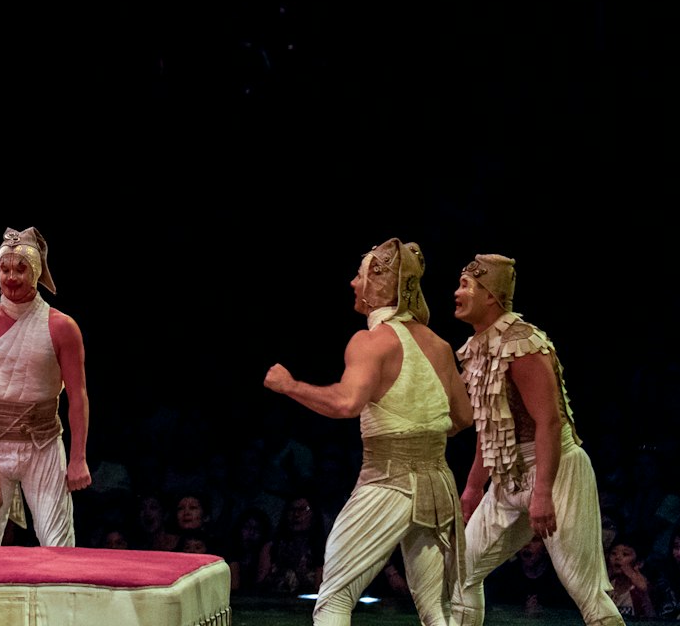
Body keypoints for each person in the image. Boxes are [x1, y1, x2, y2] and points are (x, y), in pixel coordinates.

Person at [264, 240, 470, 626]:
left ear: (378, 282)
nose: (353, 283)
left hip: (388, 481)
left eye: (359, 275)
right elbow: (462, 417)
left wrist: (289, 385)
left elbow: (346, 403)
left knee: (334, 599)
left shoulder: (370, 341)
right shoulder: (439, 345)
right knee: (435, 611)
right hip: (437, 482)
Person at [450, 254, 624, 626]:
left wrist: (542, 490)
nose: (457, 292)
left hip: (554, 468)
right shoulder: (480, 347)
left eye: (466, 286)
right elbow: (490, 425)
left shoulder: (523, 343)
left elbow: (548, 421)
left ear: (491, 296)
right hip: (508, 472)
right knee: (459, 574)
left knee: (584, 588)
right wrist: (472, 485)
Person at [0, 228, 89, 547]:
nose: (11, 277)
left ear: (35, 272)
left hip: (44, 442)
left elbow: (77, 397)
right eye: (4, 269)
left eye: (20, 269)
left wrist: (78, 458)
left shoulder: (62, 327)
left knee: (58, 543)